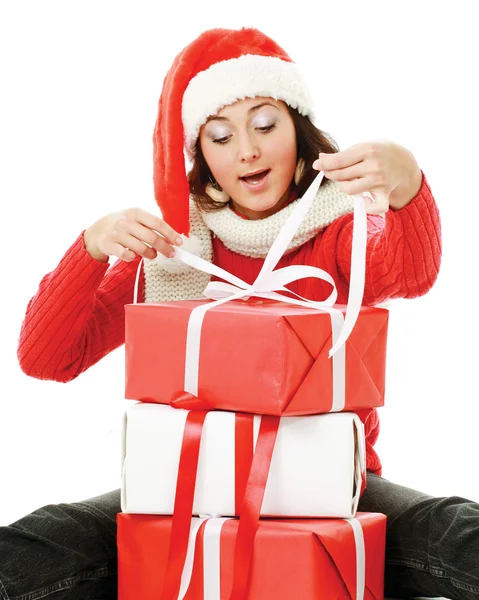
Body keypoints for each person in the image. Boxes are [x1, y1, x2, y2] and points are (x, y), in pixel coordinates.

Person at [2, 26, 477, 600]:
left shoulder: (339, 232)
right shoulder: (171, 253)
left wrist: (408, 185)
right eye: (220, 136)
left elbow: (410, 272)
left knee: (454, 530)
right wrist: (91, 248)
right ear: (200, 157)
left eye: (265, 125)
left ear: (299, 135)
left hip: (328, 489)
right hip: (186, 486)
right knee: (45, 541)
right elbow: (46, 358)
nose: (246, 150)